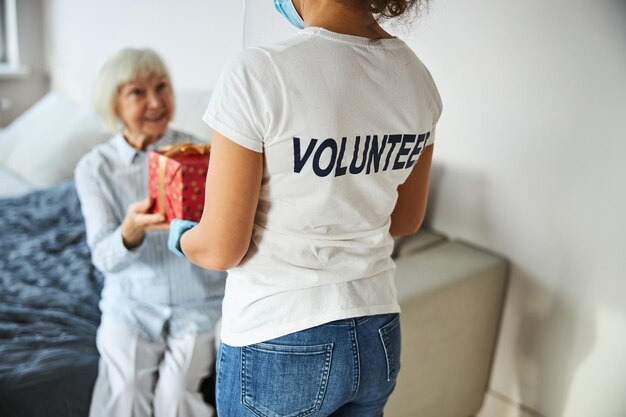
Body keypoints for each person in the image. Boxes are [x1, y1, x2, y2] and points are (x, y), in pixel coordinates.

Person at [169, 0, 441, 415]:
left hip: (280, 334)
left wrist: (180, 236)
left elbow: (222, 248)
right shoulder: (418, 79)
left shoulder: (258, 73)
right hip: (377, 328)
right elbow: (405, 220)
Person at [75, 48, 226, 417]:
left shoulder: (202, 153)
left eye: (162, 87)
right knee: (124, 393)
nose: (156, 101)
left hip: (199, 302)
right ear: (114, 104)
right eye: (138, 93)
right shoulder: (96, 169)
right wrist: (129, 232)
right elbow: (103, 257)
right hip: (131, 304)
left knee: (175, 398)